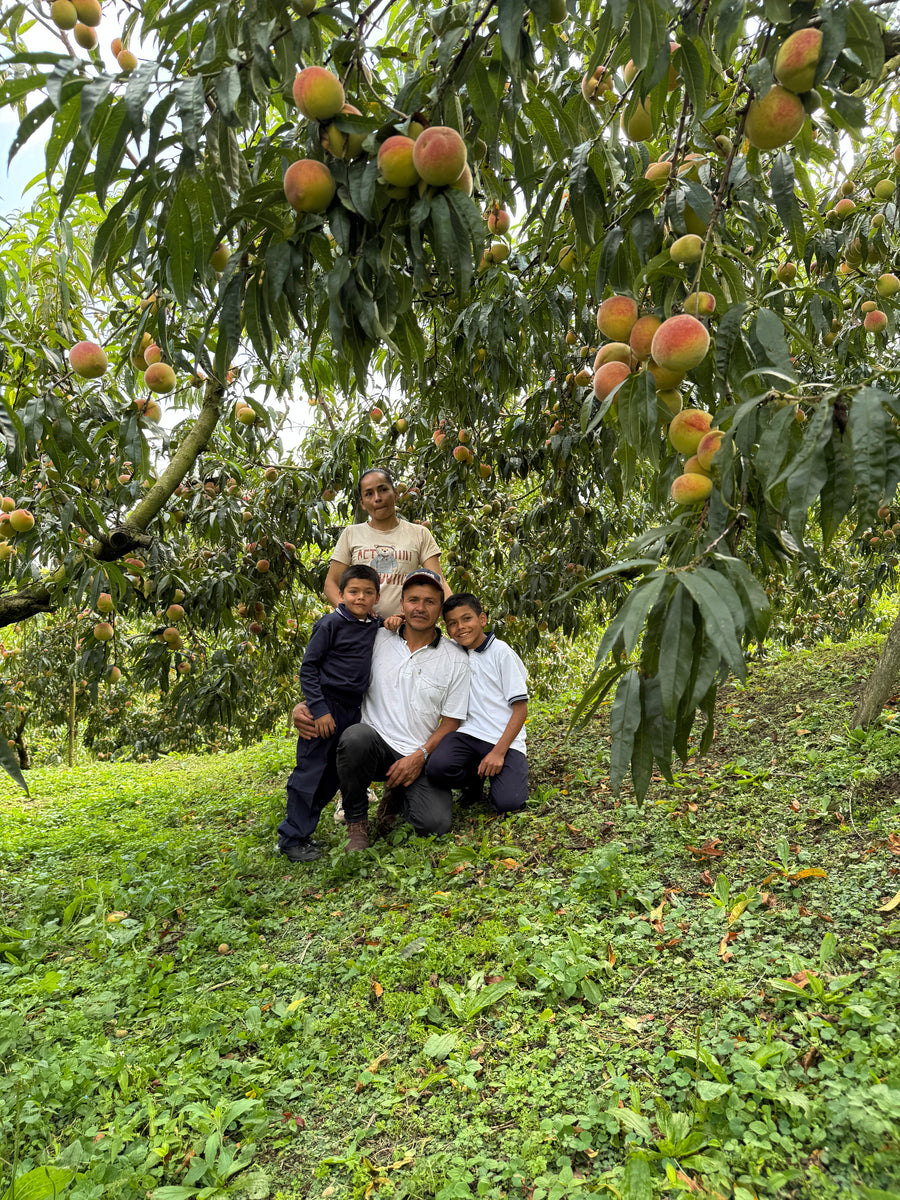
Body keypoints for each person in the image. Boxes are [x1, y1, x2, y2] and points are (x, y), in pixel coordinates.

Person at [293, 568, 470, 850]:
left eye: (429, 601)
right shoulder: (376, 638)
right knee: (355, 738)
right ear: (401, 604)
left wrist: (420, 756)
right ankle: (356, 822)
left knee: (434, 824)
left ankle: (396, 797)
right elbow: (334, 673)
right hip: (372, 747)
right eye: (413, 600)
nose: (420, 608)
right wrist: (308, 704)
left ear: (440, 609)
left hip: (417, 753)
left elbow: (451, 722)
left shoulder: (456, 658)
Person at [277, 564, 385, 863]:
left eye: (367, 592)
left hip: (352, 711)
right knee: (310, 772)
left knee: (331, 776)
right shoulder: (330, 624)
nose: (360, 598)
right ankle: (291, 838)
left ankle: (303, 831)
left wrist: (392, 621)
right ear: (341, 594)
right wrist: (319, 709)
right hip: (326, 707)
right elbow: (308, 668)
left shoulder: (373, 625)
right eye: (353, 591)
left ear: (377, 597)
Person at [425, 593, 528, 814]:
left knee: (508, 803)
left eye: (467, 619)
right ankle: (473, 782)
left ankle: (500, 777)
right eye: (452, 623)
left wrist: (498, 752)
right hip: (468, 735)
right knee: (437, 767)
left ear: (482, 619)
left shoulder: (501, 652)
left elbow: (520, 710)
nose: (460, 627)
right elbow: (423, 635)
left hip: (505, 741)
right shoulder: (453, 652)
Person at [323, 467, 450, 619]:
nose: (377, 498)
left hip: (406, 628)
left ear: (395, 494)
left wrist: (455, 617)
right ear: (362, 503)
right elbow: (331, 583)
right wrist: (352, 614)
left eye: (383, 490)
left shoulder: (419, 533)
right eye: (369, 494)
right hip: (362, 629)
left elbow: (439, 581)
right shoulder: (351, 534)